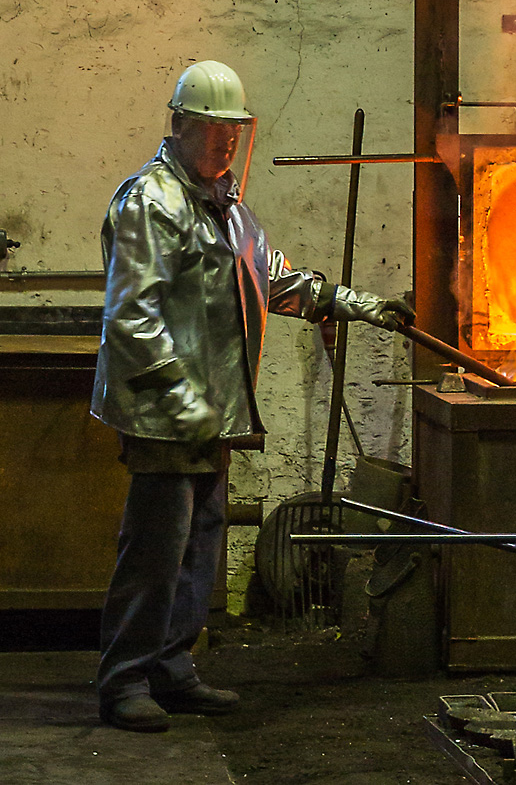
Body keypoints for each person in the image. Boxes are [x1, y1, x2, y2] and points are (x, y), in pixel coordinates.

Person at [91, 60, 414, 732]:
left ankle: (173, 669)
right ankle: (124, 681)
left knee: (199, 544)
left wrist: (362, 304)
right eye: (213, 128)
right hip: (164, 416)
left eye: (234, 129)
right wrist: (184, 401)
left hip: (210, 416)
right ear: (179, 125)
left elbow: (276, 280)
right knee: (156, 549)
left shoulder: (227, 206)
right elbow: (133, 318)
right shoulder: (150, 203)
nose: (226, 141)